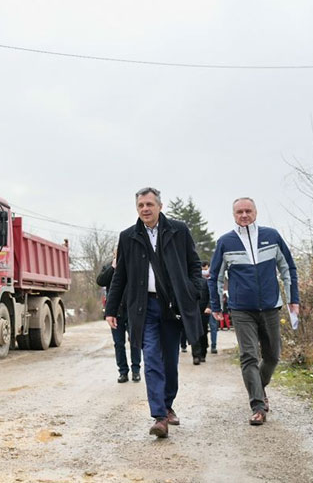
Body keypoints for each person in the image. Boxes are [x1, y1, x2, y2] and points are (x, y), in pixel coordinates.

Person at [105, 187, 203, 438]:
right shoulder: (128, 237)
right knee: (151, 358)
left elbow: (194, 264)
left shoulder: (178, 230)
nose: (145, 209)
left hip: (172, 306)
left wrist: (192, 292)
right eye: (141, 206)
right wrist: (111, 309)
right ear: (136, 209)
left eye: (149, 204)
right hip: (143, 307)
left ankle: (168, 404)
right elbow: (120, 277)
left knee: (170, 360)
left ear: (159, 206)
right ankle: (159, 417)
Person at [208, 197, 299, 426]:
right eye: (239, 212)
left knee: (272, 356)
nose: (244, 215)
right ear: (234, 215)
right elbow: (216, 277)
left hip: (270, 306)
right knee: (249, 356)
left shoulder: (272, 236)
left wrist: (293, 300)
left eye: (248, 210)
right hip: (241, 309)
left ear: (255, 212)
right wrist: (217, 306)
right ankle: (258, 405)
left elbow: (288, 268)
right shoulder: (225, 242)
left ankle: (258, 386)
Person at [96, 255, 141, 384]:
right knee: (118, 343)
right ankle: (123, 372)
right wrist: (112, 268)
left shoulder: (134, 263)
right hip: (116, 311)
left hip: (132, 310)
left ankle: (136, 371)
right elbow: (100, 281)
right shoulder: (109, 266)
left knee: (135, 341)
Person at [191, 261, 212, 364]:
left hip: (204, 311)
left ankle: (203, 353)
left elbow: (210, 296)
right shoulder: (189, 283)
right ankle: (196, 355)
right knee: (194, 333)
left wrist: (209, 307)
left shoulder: (206, 282)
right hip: (193, 311)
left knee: (203, 333)